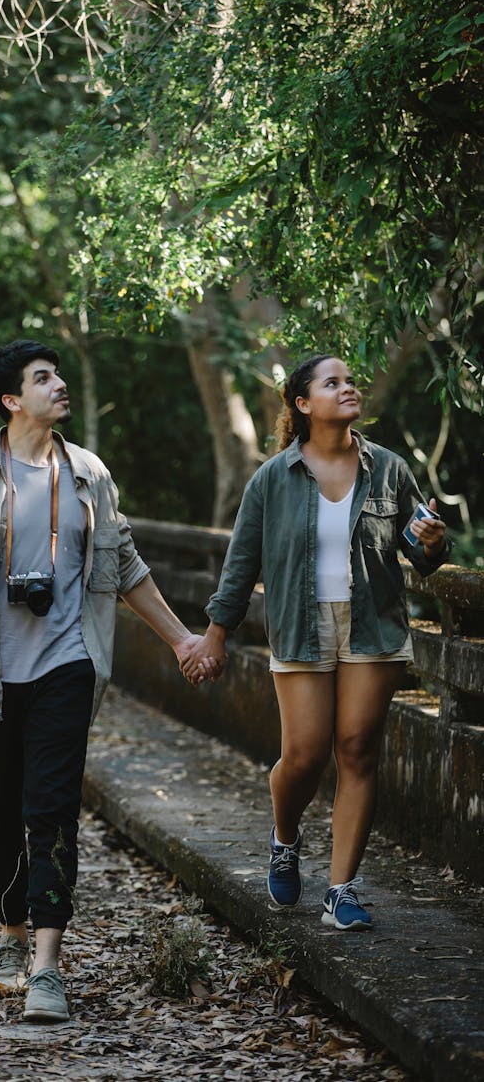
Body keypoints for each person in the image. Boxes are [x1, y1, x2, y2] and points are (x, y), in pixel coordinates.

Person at [0, 339, 213, 1023]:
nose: (60, 384)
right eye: (42, 377)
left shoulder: (90, 475)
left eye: (58, 374)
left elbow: (127, 567)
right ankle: (11, 932)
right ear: (12, 399)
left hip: (67, 662)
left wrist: (181, 639)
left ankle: (47, 965)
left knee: (50, 806)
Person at [182, 354, 450, 930]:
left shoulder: (390, 469)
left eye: (352, 380)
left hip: (373, 624)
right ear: (303, 404)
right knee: (303, 754)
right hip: (301, 624)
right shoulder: (272, 478)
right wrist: (216, 635)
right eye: (333, 383)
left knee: (357, 750)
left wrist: (431, 541)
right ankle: (284, 837)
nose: (349, 387)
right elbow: (240, 564)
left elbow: (420, 556)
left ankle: (341, 891)